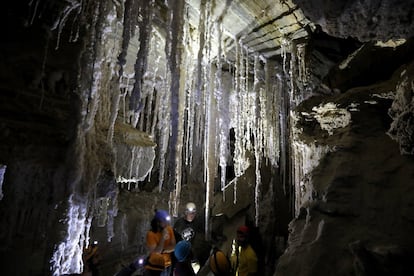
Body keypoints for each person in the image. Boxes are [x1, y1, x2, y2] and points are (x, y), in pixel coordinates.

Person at [173, 202, 210, 267]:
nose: (191, 215)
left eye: (193, 213)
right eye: (189, 213)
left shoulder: (198, 222)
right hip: (185, 257)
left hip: (197, 255)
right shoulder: (179, 225)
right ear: (185, 213)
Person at [146, 209, 177, 276]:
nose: (167, 223)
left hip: (167, 264)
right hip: (155, 267)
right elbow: (156, 252)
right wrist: (163, 237)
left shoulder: (169, 229)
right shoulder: (150, 234)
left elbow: (174, 246)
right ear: (158, 222)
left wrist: (163, 249)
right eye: (164, 221)